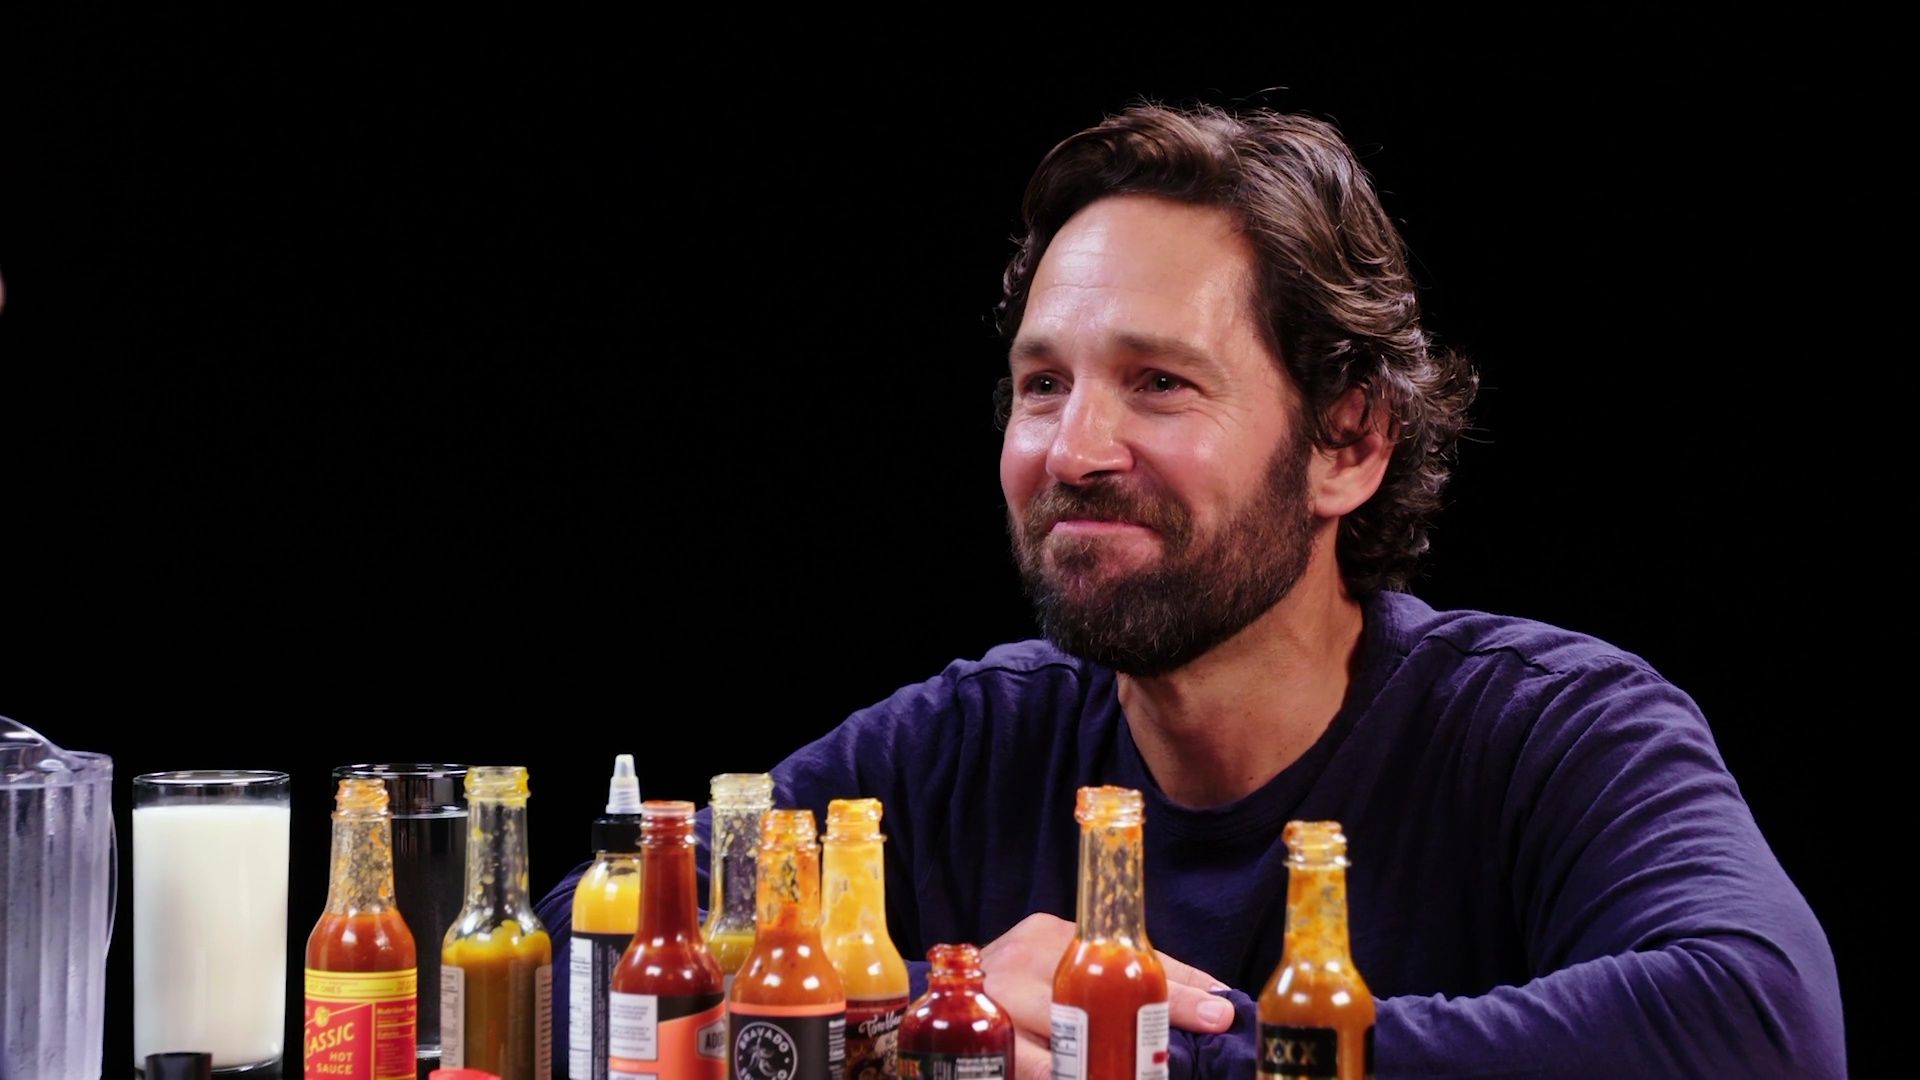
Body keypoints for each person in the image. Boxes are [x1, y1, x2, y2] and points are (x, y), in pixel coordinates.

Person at [536, 103, 1843, 1076]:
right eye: (1044, 385)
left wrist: (1157, 1049)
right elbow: (566, 970)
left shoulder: (1554, 731)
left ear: (1350, 442)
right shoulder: (961, 747)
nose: (1075, 449)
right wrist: (900, 1030)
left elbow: (1761, 1024)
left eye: (1159, 382)